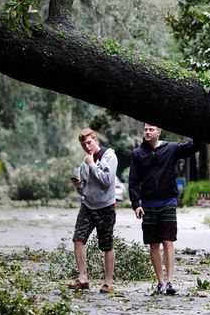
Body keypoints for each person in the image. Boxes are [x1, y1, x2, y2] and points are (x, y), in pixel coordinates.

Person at [128, 123, 202, 295]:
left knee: (168, 241)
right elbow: (133, 182)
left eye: (151, 129)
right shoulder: (138, 154)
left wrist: (200, 132)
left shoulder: (171, 149)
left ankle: (170, 282)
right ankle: (160, 282)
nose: (147, 132)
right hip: (148, 205)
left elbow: (193, 147)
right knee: (153, 244)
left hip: (168, 201)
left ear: (159, 132)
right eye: (145, 129)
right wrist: (136, 204)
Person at [69, 128, 118, 293]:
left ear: (95, 140)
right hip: (88, 206)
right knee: (78, 238)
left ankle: (108, 283)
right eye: (84, 145)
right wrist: (79, 187)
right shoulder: (84, 164)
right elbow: (85, 189)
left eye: (89, 142)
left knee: (106, 245)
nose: (87, 147)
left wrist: (92, 164)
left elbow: (106, 180)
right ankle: (83, 278)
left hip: (106, 208)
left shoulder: (109, 156)